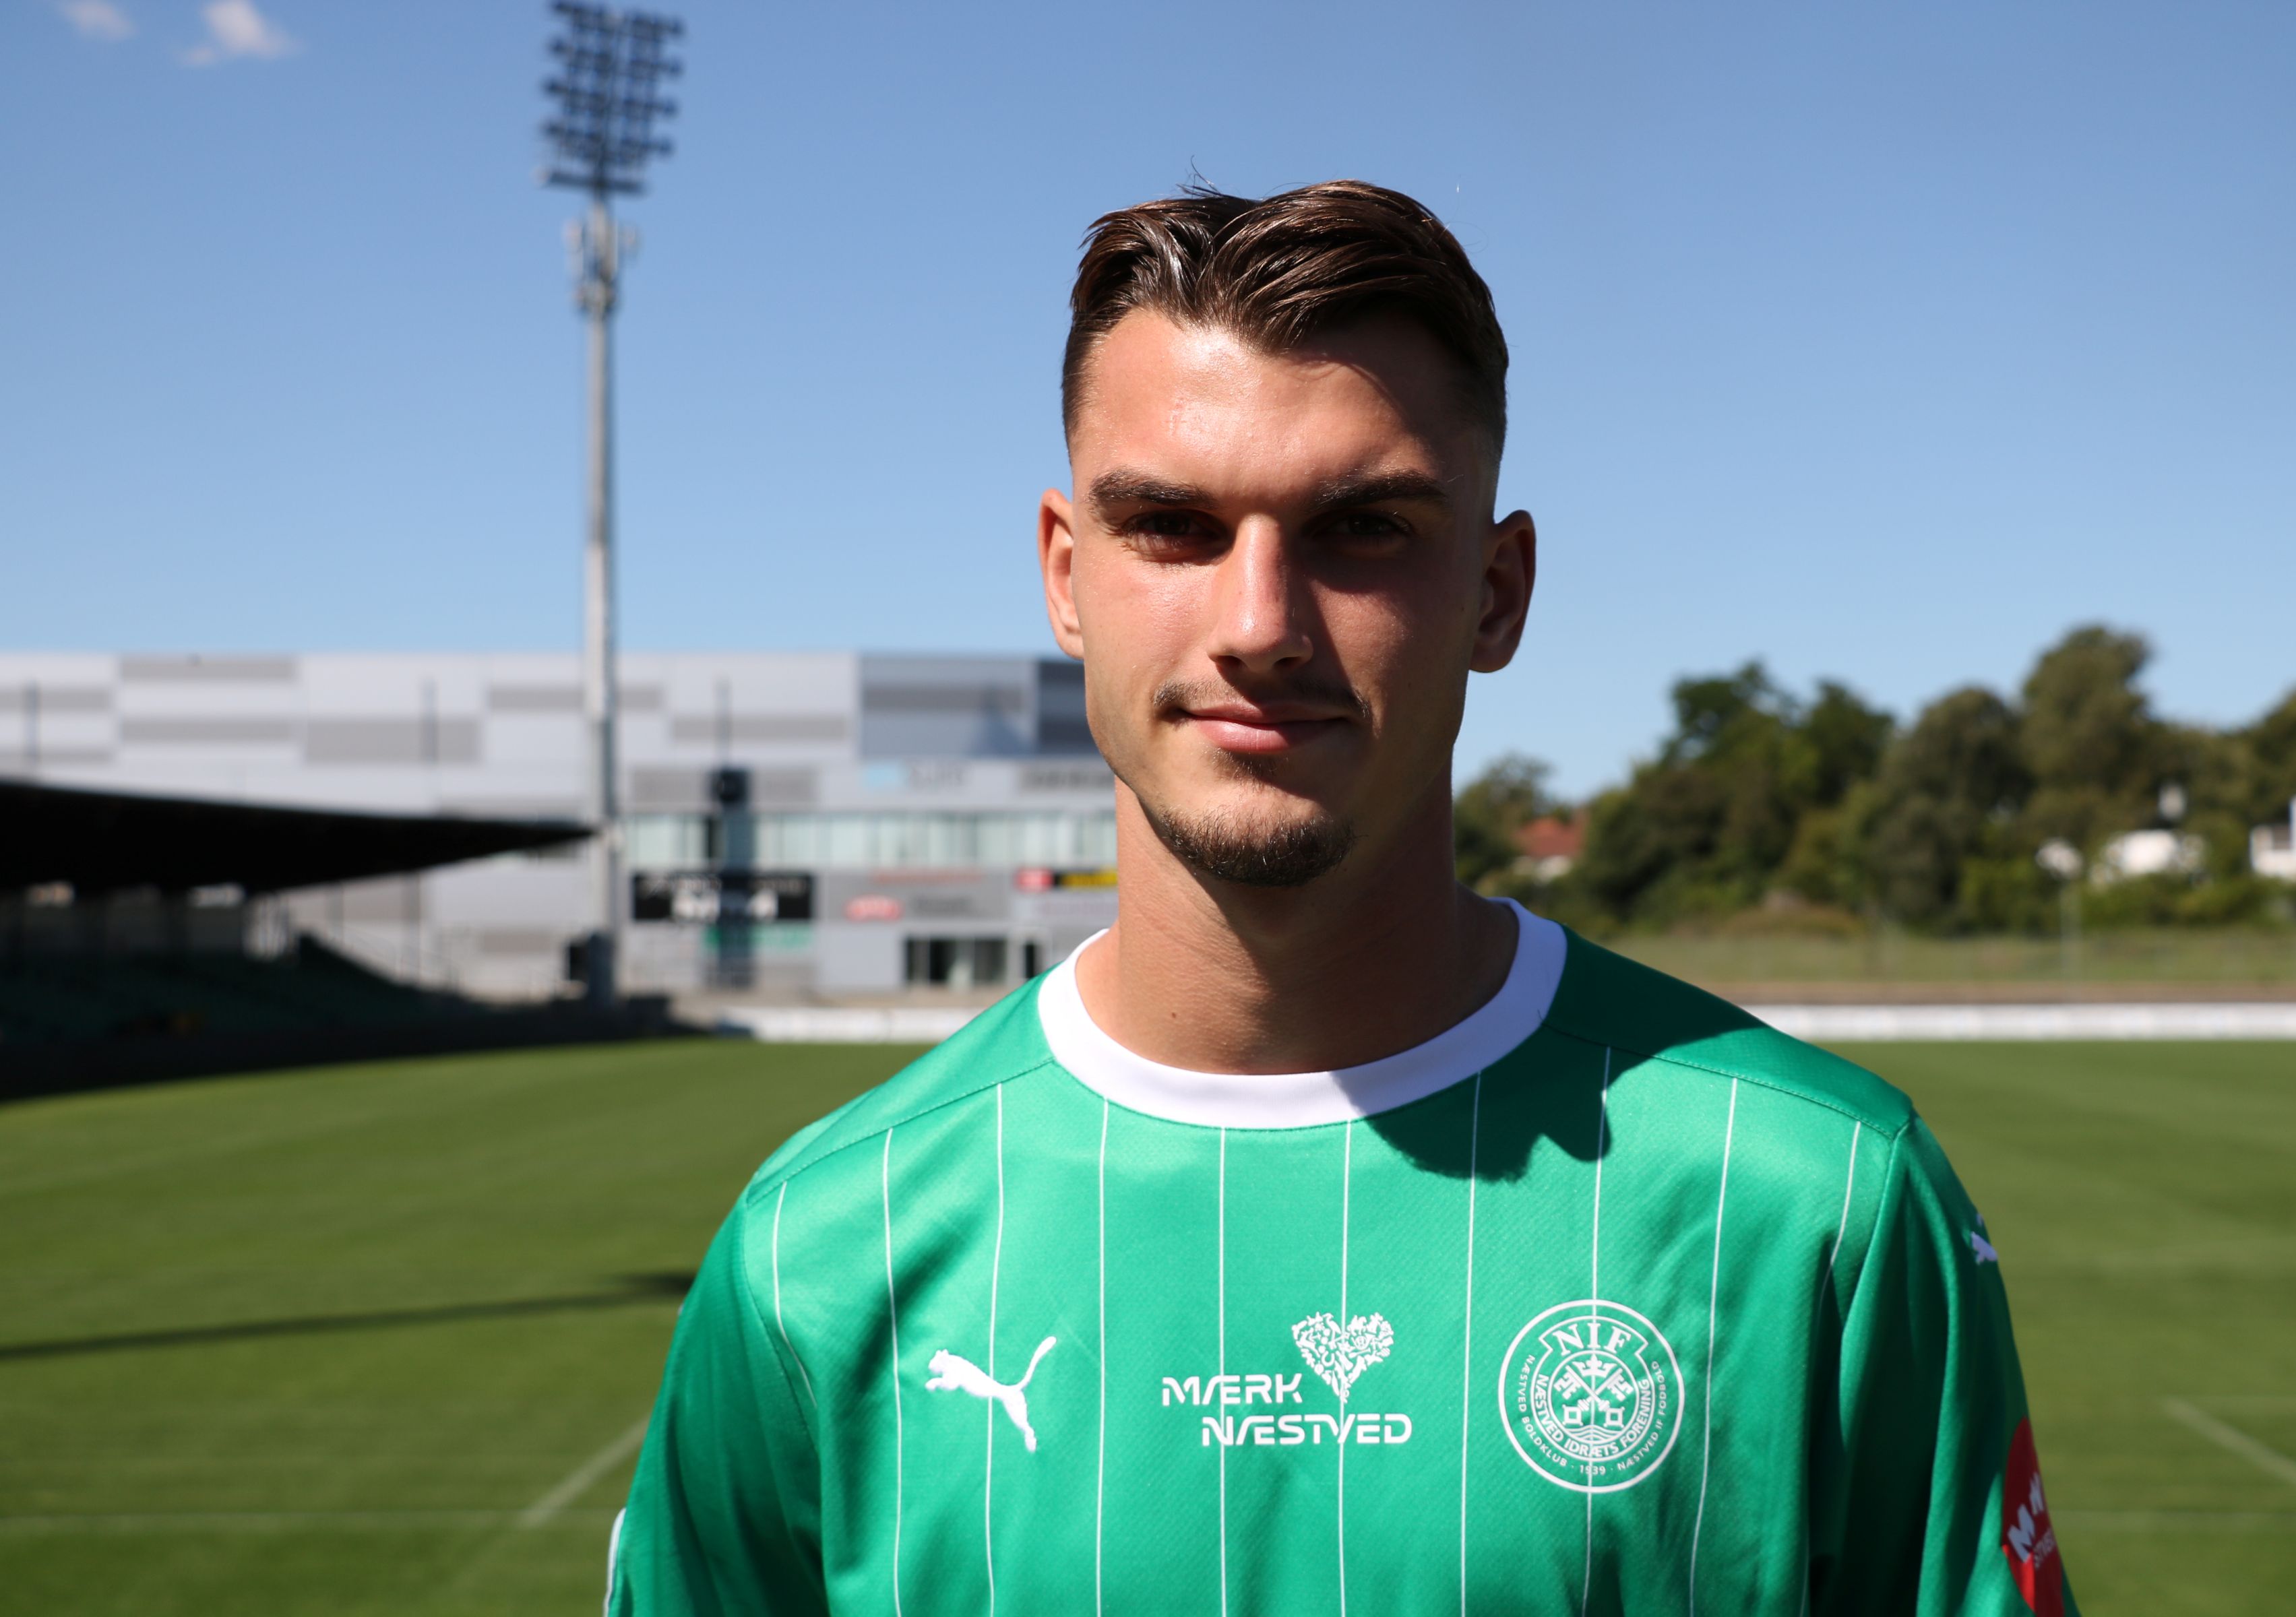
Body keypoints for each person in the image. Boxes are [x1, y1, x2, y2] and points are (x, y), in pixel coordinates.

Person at [606, 180, 2079, 1616]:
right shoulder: (820, 1251)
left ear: (1496, 592)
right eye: (1173, 526)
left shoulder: (1816, 1200)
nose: (1259, 626)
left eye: (1363, 529)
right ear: (1067, 576)